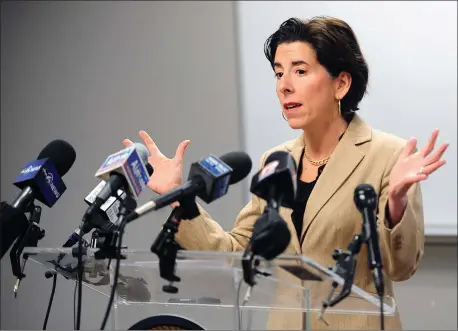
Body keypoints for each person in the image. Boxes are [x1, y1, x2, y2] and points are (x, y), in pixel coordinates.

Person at [123, 16, 448, 330]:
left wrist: (396, 204)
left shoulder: (388, 154)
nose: (284, 86)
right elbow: (236, 254)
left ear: (341, 83)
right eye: (279, 74)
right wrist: (178, 196)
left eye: (300, 71)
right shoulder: (277, 160)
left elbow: (400, 268)